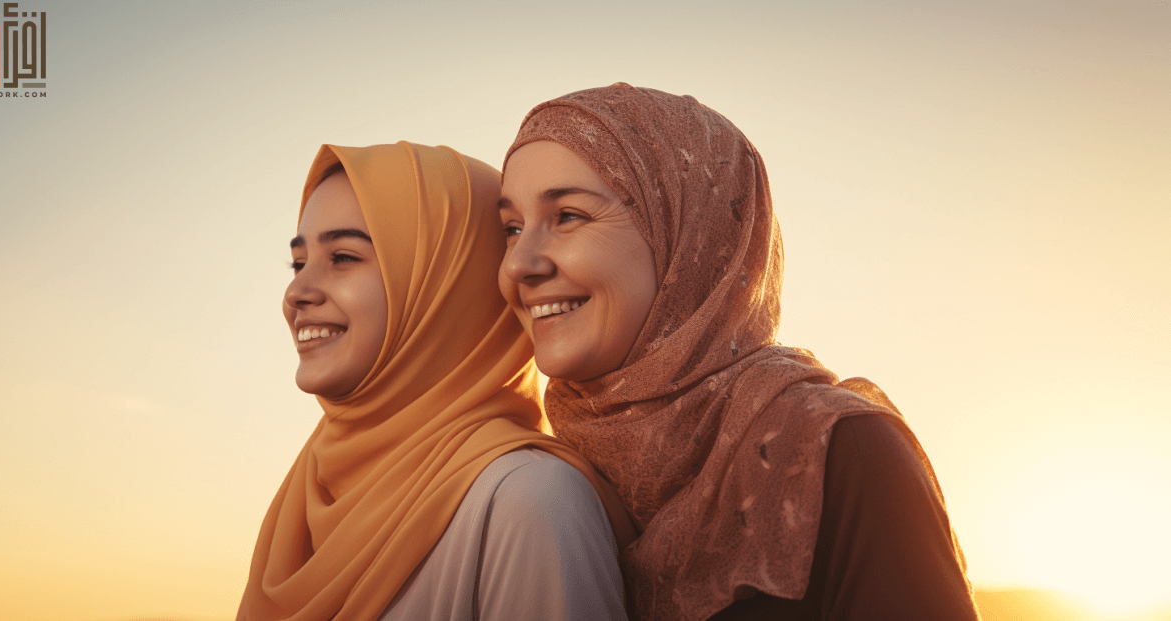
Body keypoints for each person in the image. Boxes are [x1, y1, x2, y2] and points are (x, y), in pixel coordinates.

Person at [497, 84, 980, 621]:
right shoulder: (538, 477)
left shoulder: (838, 453)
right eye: (511, 228)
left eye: (568, 216)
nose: (518, 264)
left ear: (688, 233)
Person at [237, 142, 635, 621]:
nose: (296, 292)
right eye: (299, 264)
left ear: (450, 283)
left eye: (342, 257)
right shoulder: (310, 493)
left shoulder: (528, 501)